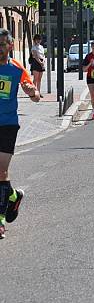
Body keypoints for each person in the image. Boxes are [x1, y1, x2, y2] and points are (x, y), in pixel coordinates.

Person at [0, 28, 40, 239]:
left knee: (1, 171)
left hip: (7, 124)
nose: (0, 48)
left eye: (3, 44)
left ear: (11, 46)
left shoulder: (16, 69)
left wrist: (32, 91)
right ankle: (13, 196)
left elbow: (35, 94)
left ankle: (0, 221)